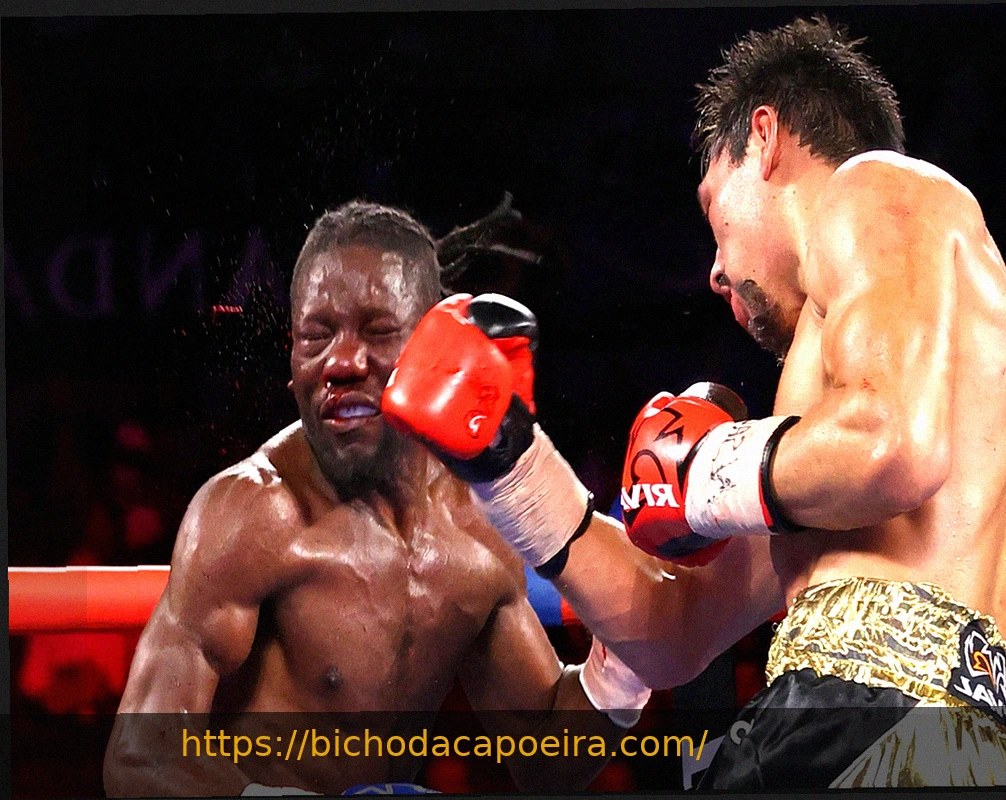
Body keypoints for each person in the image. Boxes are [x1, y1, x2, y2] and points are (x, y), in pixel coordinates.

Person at [382, 16, 1006, 788]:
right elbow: (672, 632)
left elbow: (894, 448)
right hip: (920, 738)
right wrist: (510, 465)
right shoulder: (825, 446)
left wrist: (704, 468)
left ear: (764, 138)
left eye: (712, 208)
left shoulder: (875, 185)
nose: (715, 271)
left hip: (864, 723)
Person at [104, 201, 649, 797]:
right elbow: (140, 758)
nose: (341, 362)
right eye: (316, 336)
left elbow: (546, 759)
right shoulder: (252, 514)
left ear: (433, 342)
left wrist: (636, 651)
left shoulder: (478, 521)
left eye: (378, 331)